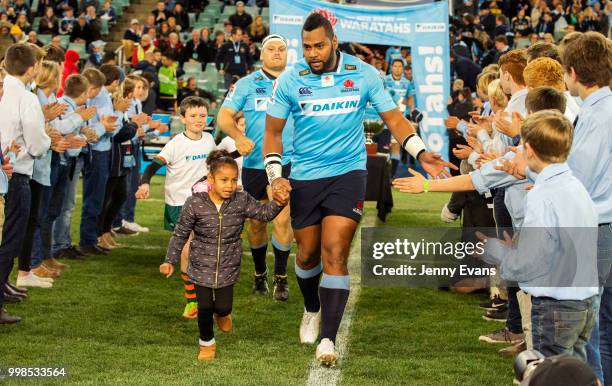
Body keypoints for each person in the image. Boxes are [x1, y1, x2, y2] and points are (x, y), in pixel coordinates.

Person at [261, 13, 454, 365]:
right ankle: (311, 307)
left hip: (348, 173)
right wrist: (275, 176)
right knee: (306, 255)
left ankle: (328, 340)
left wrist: (422, 153)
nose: (313, 53)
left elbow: (394, 119)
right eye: (306, 47)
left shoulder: (364, 73)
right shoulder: (290, 80)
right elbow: (272, 133)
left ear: (334, 42)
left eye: (319, 45)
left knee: (334, 251)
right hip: (305, 175)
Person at [480, 110, 599, 361]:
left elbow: (532, 261)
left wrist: (499, 253)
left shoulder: (541, 194)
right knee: (577, 374)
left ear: (529, 150)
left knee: (550, 374)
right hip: (585, 302)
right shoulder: (575, 186)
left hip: (556, 305)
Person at [160, 149, 288, 361]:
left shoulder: (242, 199)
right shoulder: (195, 203)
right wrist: (169, 260)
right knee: (205, 307)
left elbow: (264, 214)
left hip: (228, 264)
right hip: (200, 265)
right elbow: (180, 233)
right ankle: (207, 343)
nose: (230, 185)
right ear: (210, 179)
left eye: (234, 180)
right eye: (224, 180)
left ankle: (222, 314)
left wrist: (279, 203)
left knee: (222, 306)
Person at [218, 34, 295, 301]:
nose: (276, 53)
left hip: (287, 162)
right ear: (261, 55)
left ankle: (281, 278)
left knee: (283, 219)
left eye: (281, 49)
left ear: (287, 54)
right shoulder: (246, 84)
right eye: (271, 49)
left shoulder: (299, 81)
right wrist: (238, 138)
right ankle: (260, 274)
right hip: (254, 164)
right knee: (256, 224)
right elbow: (224, 117)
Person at [136, 96, 217, 319]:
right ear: (183, 119)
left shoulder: (209, 139)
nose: (199, 120)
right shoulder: (175, 144)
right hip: (179, 204)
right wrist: (144, 182)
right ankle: (192, 301)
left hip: (204, 201)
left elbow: (217, 163)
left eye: (202, 115)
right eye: (193, 116)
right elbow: (153, 165)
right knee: (187, 249)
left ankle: (204, 294)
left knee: (203, 249)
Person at [0, 43, 51, 324]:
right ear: (32, 68)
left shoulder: (4, 90)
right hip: (16, 172)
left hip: (4, 167)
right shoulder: (27, 98)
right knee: (10, 238)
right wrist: (46, 143)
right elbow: (35, 141)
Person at [78, 64, 122, 256]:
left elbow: (111, 125)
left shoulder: (101, 94)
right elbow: (106, 126)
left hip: (99, 149)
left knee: (96, 198)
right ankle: (87, 239)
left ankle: (90, 238)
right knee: (93, 198)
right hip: (95, 151)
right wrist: (104, 127)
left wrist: (104, 126)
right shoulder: (92, 96)